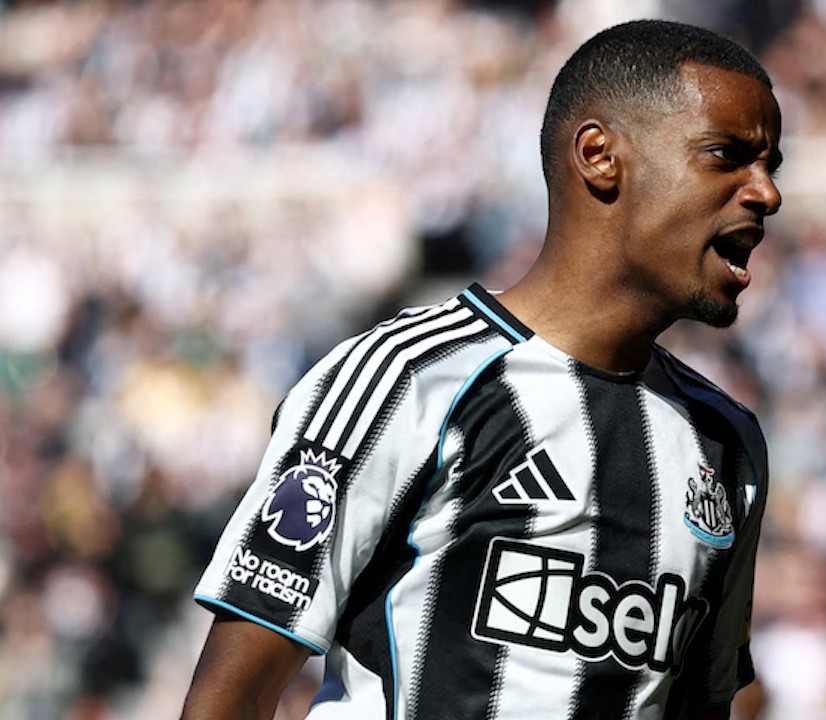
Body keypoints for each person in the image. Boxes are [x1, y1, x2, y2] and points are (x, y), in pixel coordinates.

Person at [180, 18, 782, 720]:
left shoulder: (726, 442)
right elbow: (232, 697)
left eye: (770, 166)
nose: (766, 193)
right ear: (600, 156)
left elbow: (711, 704)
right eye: (726, 155)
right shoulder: (406, 379)